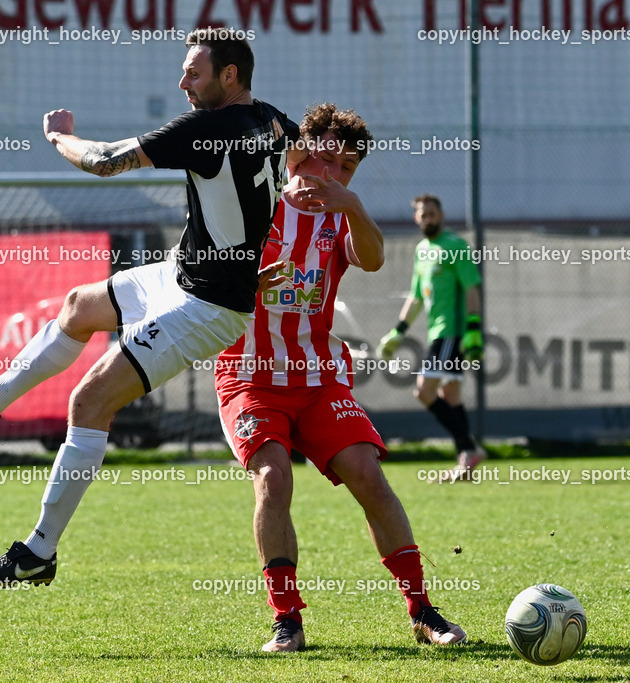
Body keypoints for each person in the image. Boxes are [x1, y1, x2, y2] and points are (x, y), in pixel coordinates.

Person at [0, 28, 301, 585]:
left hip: (209, 306)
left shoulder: (208, 127)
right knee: (79, 306)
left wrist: (60, 137)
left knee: (88, 403)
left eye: (194, 73)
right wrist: (265, 252)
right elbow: (299, 176)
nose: (182, 82)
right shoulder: (275, 120)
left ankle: (38, 553)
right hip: (186, 274)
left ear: (229, 76)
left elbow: (107, 161)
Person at [215, 105, 467, 652]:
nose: (334, 173)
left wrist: (351, 203)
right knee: (273, 479)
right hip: (251, 377)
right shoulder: (254, 203)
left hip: (319, 379)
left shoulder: (340, 216)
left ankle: (423, 612)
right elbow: (210, 278)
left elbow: (373, 259)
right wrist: (246, 284)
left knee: (368, 475)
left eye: (348, 169)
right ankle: (287, 620)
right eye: (327, 157)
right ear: (302, 151)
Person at [378, 195, 486, 482]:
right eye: (422, 215)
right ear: (416, 218)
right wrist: (398, 331)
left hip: (452, 332)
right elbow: (416, 296)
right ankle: (467, 457)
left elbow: (472, 288)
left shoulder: (455, 246)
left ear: (442, 215)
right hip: (437, 332)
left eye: (432, 214)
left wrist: (474, 327)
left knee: (424, 391)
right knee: (449, 397)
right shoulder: (421, 250)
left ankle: (469, 449)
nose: (427, 219)